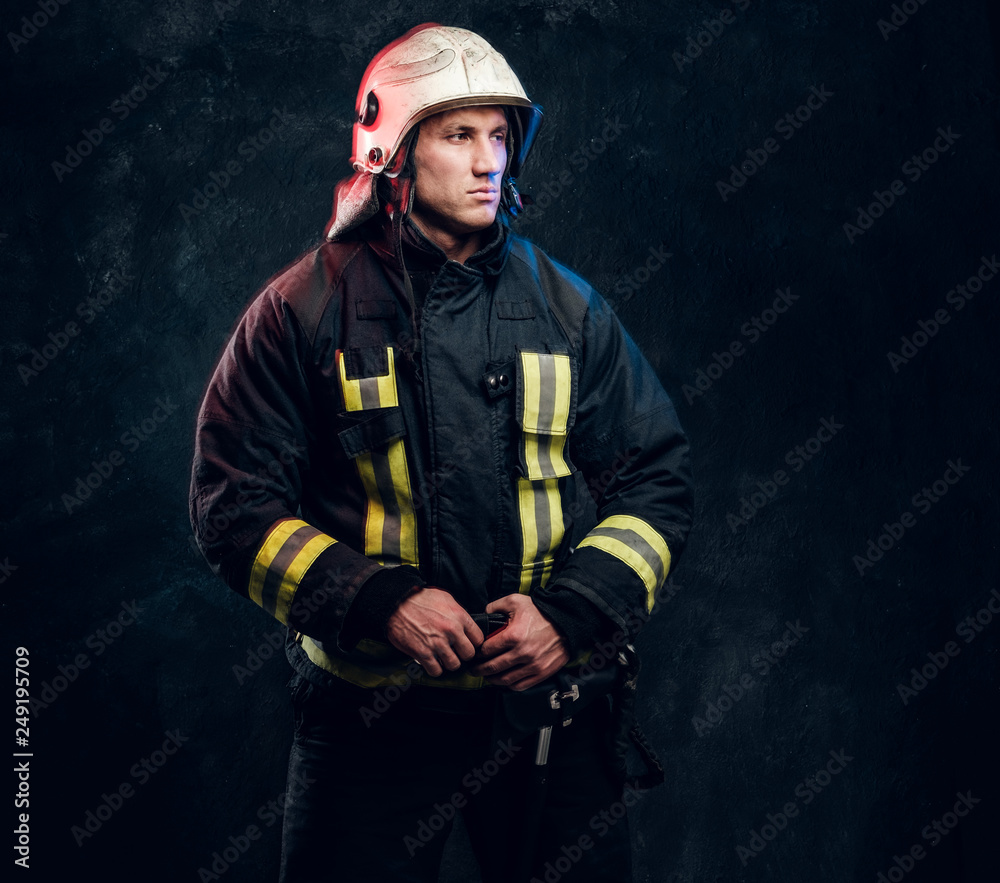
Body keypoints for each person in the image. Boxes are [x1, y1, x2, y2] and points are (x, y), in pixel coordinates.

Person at [189, 23, 693, 883]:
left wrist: (569, 616)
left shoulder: (570, 312)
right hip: (368, 725)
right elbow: (233, 508)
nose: (487, 160)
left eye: (500, 135)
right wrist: (379, 601)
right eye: (459, 135)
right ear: (392, 151)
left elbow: (657, 484)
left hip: (547, 721)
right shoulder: (302, 312)